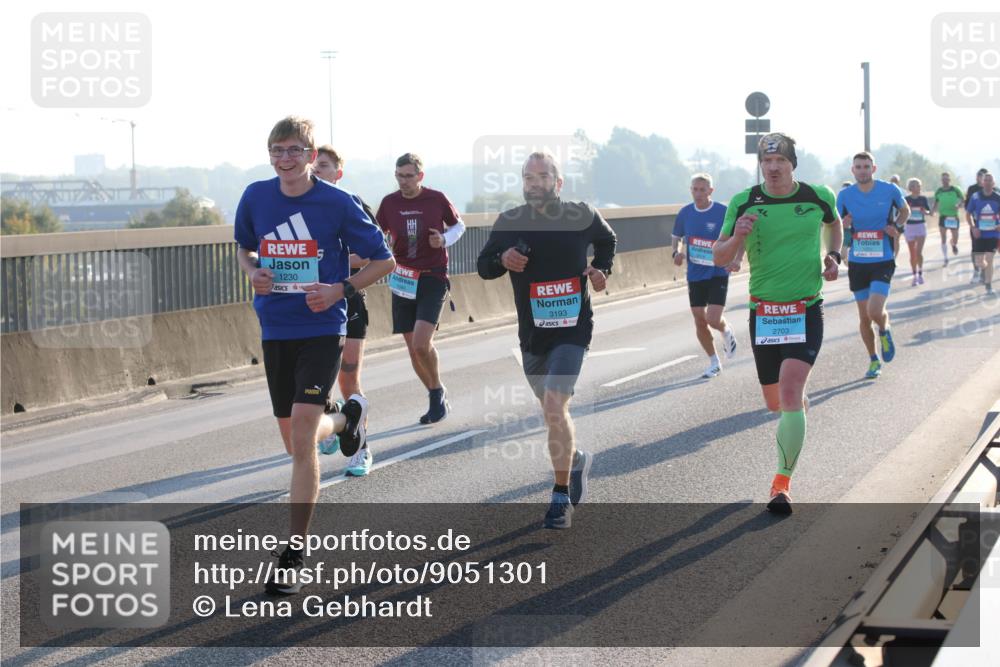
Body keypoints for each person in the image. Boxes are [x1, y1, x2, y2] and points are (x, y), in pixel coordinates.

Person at [235, 116, 394, 594]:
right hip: (275, 326)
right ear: (271, 155)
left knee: (303, 435)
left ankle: (294, 552)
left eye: (294, 150)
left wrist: (340, 288)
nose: (286, 158)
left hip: (323, 326)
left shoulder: (337, 202)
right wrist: (253, 271)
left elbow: (384, 260)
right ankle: (346, 421)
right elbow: (244, 247)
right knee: (294, 445)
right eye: (278, 150)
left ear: (310, 155)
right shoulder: (255, 197)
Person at [477, 151, 615, 529]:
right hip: (532, 336)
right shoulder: (509, 222)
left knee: (555, 402)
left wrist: (601, 270)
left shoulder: (581, 216)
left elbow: (607, 241)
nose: (534, 183)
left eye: (542, 176)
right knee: (554, 412)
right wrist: (503, 258)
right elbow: (483, 266)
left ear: (558, 182)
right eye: (528, 177)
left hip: (573, 329)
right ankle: (576, 460)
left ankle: (559, 497)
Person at [713, 133, 842, 515]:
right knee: (777, 403)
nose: (772, 169)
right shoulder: (743, 202)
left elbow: (834, 226)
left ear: (792, 165)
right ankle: (795, 409)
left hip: (805, 309)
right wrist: (738, 235)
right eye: (766, 162)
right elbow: (720, 257)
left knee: (788, 392)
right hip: (764, 313)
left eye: (779, 162)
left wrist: (834, 255)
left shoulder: (818, 196)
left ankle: (781, 484)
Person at [376, 153, 466, 424]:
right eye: (399, 176)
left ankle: (436, 390)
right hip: (403, 277)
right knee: (412, 348)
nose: (403, 181)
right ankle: (435, 393)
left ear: (420, 176)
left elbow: (459, 225)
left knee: (421, 342)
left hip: (432, 277)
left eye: (408, 176)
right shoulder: (389, 203)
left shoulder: (436, 198)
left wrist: (444, 239)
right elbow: (376, 234)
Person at [312, 145, 376, 476]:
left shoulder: (352, 204)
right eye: (313, 165)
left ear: (338, 172)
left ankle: (361, 449)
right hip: (312, 305)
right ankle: (333, 415)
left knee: (348, 377)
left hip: (349, 301)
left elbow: (374, 256)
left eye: (323, 165)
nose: (316, 170)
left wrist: (337, 262)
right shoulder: (299, 208)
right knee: (312, 383)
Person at [837, 151, 909, 379]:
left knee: (875, 310)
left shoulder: (889, 190)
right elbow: (833, 225)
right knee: (864, 318)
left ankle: (885, 330)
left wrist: (897, 227)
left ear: (873, 169)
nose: (862, 171)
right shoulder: (845, 195)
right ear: (853, 170)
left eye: (866, 166)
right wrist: (843, 225)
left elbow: (905, 210)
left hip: (883, 259)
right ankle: (873, 359)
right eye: (858, 167)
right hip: (858, 262)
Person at [671, 173, 740, 378]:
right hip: (695, 273)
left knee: (713, 319)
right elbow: (677, 237)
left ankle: (726, 331)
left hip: (719, 270)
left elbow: (739, 236)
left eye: (702, 190)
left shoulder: (722, 211)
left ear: (711, 191)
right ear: (690, 190)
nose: (698, 193)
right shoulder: (685, 213)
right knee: (699, 320)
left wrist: (736, 259)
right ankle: (714, 362)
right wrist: (677, 252)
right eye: (695, 189)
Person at [966, 171, 999, 295]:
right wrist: (973, 227)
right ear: (982, 183)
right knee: (979, 261)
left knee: (989, 258)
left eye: (990, 180)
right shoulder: (975, 197)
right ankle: (984, 272)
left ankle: (988, 286)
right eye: (986, 180)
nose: (988, 182)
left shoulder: (998, 197)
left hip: (993, 233)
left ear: (993, 183)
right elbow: (968, 214)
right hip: (979, 233)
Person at [932, 172, 965, 267]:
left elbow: (963, 200)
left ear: (950, 180)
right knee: (943, 238)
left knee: (955, 238)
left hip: (953, 216)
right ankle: (945, 258)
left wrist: (959, 205)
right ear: (941, 181)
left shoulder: (956, 189)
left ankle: (953, 244)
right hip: (943, 216)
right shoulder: (938, 191)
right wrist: (933, 211)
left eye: (946, 179)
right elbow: (935, 202)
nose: (945, 181)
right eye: (943, 179)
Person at [904, 178, 931, 286]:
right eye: (916, 186)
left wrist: (925, 212)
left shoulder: (923, 199)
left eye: (919, 186)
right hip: (909, 227)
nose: (919, 188)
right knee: (912, 253)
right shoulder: (906, 199)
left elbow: (928, 212)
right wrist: (907, 211)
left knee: (918, 252)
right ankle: (914, 275)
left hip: (920, 226)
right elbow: (902, 212)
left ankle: (920, 273)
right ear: (911, 188)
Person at [966, 168, 990, 283]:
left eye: (985, 177)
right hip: (976, 224)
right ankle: (976, 271)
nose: (982, 179)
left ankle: (984, 273)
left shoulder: (995, 191)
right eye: (980, 177)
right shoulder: (972, 189)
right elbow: (967, 207)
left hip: (990, 225)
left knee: (987, 250)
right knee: (976, 248)